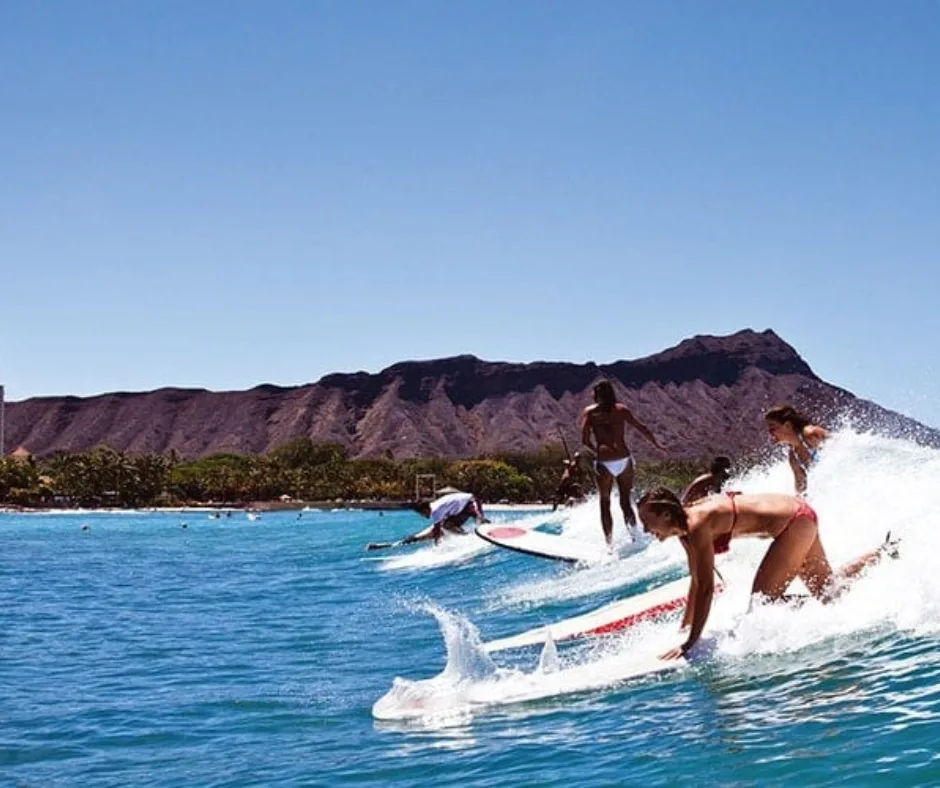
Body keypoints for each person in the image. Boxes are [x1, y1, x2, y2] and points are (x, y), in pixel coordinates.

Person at [637, 487, 898, 660]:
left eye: (648, 522)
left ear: (666, 514)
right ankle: (885, 552)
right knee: (828, 590)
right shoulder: (686, 527)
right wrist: (685, 627)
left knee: (762, 604)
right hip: (799, 513)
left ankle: (832, 612)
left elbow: (706, 587)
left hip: (795, 522)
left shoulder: (696, 526)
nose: (647, 530)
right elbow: (697, 581)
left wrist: (690, 644)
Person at [580, 380, 665, 545]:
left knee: (605, 503)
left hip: (604, 462)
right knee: (625, 501)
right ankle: (635, 538)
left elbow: (585, 441)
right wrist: (657, 445)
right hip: (624, 459)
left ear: (596, 395)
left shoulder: (590, 413)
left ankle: (609, 545)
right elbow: (642, 427)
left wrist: (596, 454)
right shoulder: (621, 410)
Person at [764, 405, 829, 494]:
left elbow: (839, 444)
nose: (770, 433)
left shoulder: (810, 433)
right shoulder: (793, 456)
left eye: (772, 428)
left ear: (787, 425)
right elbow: (801, 488)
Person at [403, 490, 490, 546]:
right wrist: (415, 538)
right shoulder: (435, 508)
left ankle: (490, 531)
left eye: (422, 513)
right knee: (447, 526)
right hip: (462, 509)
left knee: (479, 520)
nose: (423, 516)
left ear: (426, 509)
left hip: (471, 501)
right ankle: (468, 537)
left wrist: (437, 547)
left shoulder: (435, 511)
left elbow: (436, 532)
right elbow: (435, 529)